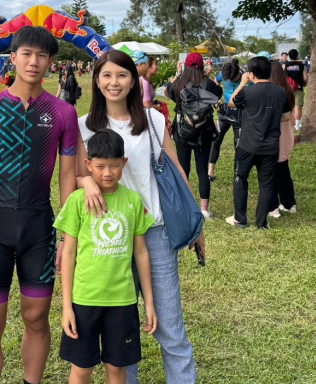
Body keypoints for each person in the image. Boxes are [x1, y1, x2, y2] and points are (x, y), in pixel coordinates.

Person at [0, 26, 79, 384]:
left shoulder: (63, 113)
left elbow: (68, 177)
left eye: (42, 55)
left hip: (39, 228)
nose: (33, 62)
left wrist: (67, 238)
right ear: (13, 57)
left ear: (51, 62)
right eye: (26, 53)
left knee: (36, 317)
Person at [76, 49, 203, 384]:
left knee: (170, 325)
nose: (114, 82)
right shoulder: (84, 126)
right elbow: (77, 175)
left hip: (154, 233)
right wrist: (85, 180)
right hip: (109, 238)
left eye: (122, 75)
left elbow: (176, 169)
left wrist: (196, 223)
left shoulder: (152, 120)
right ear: (96, 81)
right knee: (121, 331)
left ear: (134, 80)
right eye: (106, 75)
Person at [57, 129, 157, 384]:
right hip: (83, 301)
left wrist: (148, 302)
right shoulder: (77, 201)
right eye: (100, 166)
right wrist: (67, 307)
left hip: (122, 302)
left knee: (116, 369)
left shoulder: (133, 201)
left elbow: (141, 252)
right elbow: (68, 254)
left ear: (124, 162)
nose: (107, 173)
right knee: (82, 369)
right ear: (88, 164)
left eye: (114, 165)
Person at [226, 56, 291, 229]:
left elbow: (231, 103)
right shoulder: (281, 92)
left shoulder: (247, 92)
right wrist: (270, 118)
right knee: (267, 184)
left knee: (240, 178)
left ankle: (240, 218)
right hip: (270, 147)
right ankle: (261, 222)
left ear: (252, 74)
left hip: (247, 145)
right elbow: (286, 116)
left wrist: (242, 84)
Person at [165, 52, 221, 219]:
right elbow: (218, 94)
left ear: (185, 66)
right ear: (203, 67)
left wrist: (177, 74)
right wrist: (207, 78)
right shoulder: (209, 85)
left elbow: (168, 93)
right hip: (205, 132)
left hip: (183, 131)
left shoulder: (179, 84)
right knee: (203, 170)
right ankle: (204, 209)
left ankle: (185, 206)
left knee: (183, 169)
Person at [268, 61, 297, 218]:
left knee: (270, 173)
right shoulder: (288, 89)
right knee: (283, 171)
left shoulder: (272, 92)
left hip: (274, 136)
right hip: (286, 135)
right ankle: (289, 203)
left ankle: (273, 207)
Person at [208, 58, 242, 182]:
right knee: (216, 141)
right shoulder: (224, 74)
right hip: (224, 113)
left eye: (233, 79)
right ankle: (210, 172)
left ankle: (237, 175)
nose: (230, 81)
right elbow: (215, 81)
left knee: (238, 145)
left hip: (240, 114)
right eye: (228, 79)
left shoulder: (245, 78)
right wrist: (217, 98)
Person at [284, 49, 307, 134]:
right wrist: (304, 84)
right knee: (298, 107)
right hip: (299, 88)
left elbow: (282, 77)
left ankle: (290, 124)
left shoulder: (285, 65)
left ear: (289, 56)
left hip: (288, 89)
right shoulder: (302, 66)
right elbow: (305, 78)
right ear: (297, 55)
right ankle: (297, 125)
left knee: (290, 107)